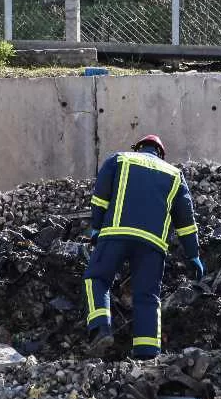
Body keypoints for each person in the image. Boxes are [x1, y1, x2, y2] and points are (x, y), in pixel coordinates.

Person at [83, 135, 203, 359]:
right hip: (152, 245)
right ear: (161, 154)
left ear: (138, 148)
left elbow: (100, 198)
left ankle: (101, 328)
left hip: (116, 234)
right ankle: (147, 353)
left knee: (97, 278)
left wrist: (96, 228)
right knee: (147, 296)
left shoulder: (119, 160)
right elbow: (186, 221)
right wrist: (193, 254)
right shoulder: (175, 175)